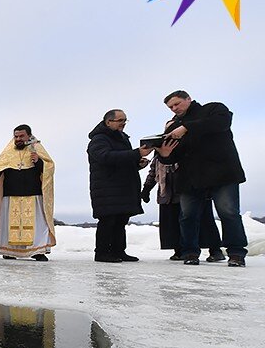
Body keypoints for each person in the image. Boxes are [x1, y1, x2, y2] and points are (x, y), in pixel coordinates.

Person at [157, 90, 247, 267]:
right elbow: (173, 156)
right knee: (188, 216)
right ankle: (190, 252)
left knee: (228, 212)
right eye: (170, 107)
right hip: (190, 177)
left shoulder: (213, 109)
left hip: (222, 173)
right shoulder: (173, 126)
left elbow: (221, 123)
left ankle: (236, 253)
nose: (174, 108)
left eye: (177, 104)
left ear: (188, 99)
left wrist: (187, 128)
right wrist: (165, 155)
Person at [142, 125, 224, 261]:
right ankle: (179, 249)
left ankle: (215, 250)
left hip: (192, 189)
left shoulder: (189, 145)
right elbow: (154, 170)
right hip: (168, 192)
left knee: (204, 220)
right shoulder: (160, 150)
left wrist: (208, 186)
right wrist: (146, 188)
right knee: (173, 222)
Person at [87, 109, 153, 263]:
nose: (123, 123)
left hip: (121, 187)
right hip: (106, 187)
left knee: (121, 220)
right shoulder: (99, 139)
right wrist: (137, 153)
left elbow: (120, 161)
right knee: (108, 220)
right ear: (108, 122)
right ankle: (102, 253)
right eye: (120, 120)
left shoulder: (122, 138)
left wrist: (137, 163)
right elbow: (105, 158)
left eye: (125, 120)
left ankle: (118, 251)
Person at [0, 125, 56, 261]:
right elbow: (0, 166)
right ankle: (9, 251)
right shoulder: (9, 151)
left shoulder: (37, 149)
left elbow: (49, 168)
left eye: (21, 136)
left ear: (29, 135)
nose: (18, 139)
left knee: (36, 225)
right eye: (16, 136)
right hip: (10, 195)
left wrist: (39, 162)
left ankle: (37, 251)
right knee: (10, 225)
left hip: (33, 194)